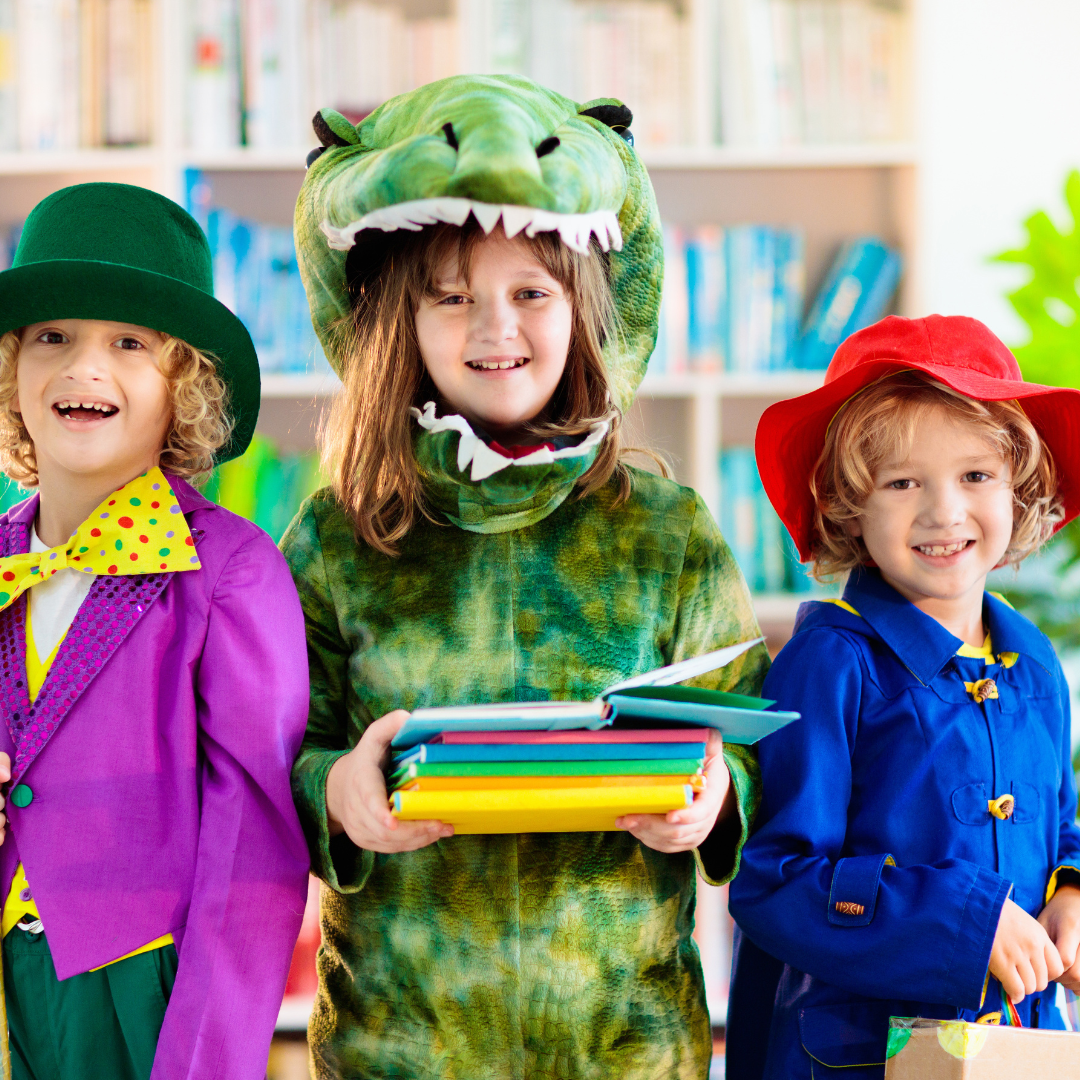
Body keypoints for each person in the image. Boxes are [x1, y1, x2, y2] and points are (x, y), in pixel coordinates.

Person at [282, 75, 770, 1079]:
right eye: (450, 296)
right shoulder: (335, 535)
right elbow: (272, 749)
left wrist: (716, 797)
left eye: (530, 294)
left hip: (625, 1045)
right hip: (400, 1045)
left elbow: (753, 737)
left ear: (584, 308)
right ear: (395, 322)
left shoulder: (669, 530)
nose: (493, 328)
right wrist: (336, 791)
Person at [0, 182, 311, 1080]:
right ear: (12, 371)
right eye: (52, 336)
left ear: (187, 388)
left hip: (148, 986)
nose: (83, 367)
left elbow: (254, 850)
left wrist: (204, 1061)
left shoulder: (232, 575)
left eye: (128, 343)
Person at [727, 314, 1080, 1079]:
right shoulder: (828, 663)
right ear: (850, 505)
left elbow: (1063, 831)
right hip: (855, 1057)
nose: (943, 511)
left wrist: (1073, 898)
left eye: (976, 476)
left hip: (1022, 1047)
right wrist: (966, 922)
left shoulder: (1037, 665)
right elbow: (773, 881)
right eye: (902, 481)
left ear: (1021, 490)